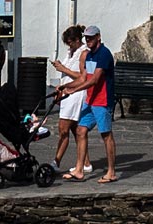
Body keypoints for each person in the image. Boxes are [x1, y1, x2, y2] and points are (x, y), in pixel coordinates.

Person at [65, 23, 117, 184]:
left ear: (98, 37)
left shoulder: (104, 54)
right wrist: (65, 86)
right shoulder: (89, 55)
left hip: (103, 101)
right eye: (86, 38)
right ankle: (79, 170)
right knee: (80, 130)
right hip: (90, 100)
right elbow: (83, 78)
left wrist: (74, 90)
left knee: (106, 135)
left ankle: (111, 172)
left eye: (91, 38)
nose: (88, 41)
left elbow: (94, 80)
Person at [49, 26, 88, 171]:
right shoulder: (71, 52)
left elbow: (83, 76)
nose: (69, 45)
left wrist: (63, 69)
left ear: (77, 40)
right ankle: (86, 162)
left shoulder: (83, 53)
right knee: (75, 129)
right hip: (66, 91)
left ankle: (56, 162)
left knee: (63, 129)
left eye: (70, 42)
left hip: (75, 94)